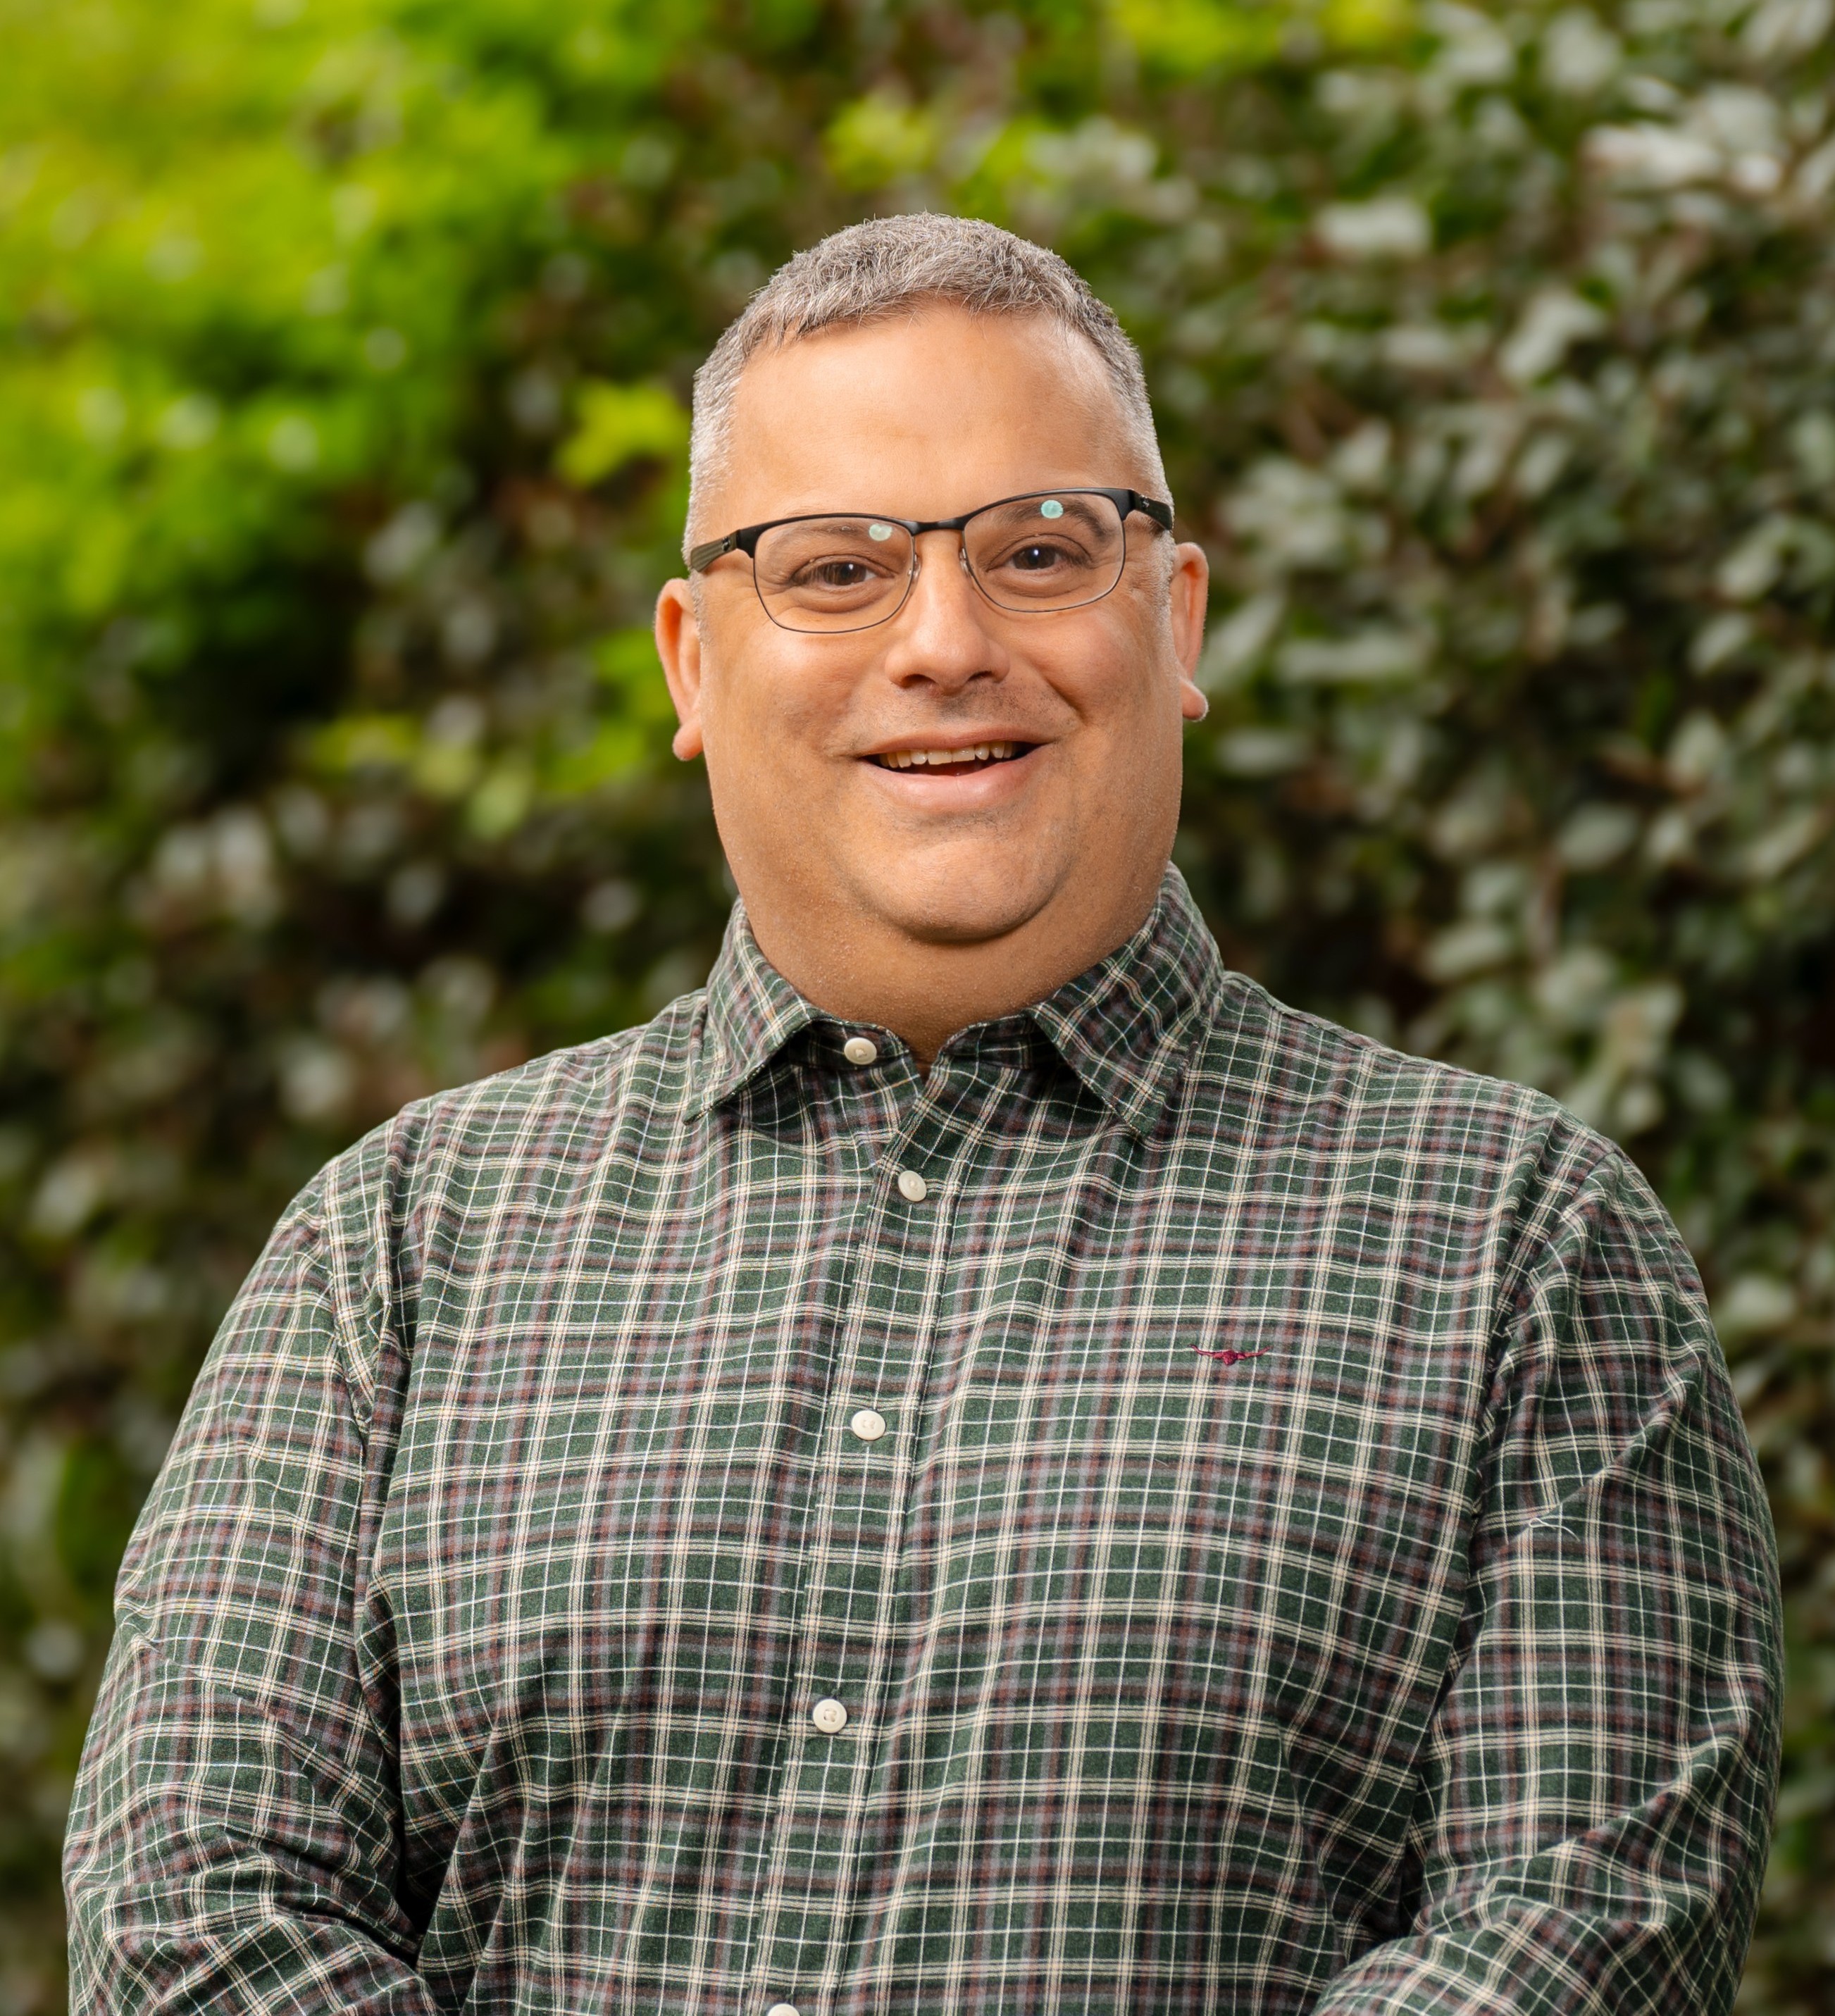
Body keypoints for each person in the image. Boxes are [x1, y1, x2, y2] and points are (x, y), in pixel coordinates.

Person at [66, 213, 1780, 2015]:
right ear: (691, 663)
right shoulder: (404, 1246)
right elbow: (197, 1917)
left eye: (1040, 551)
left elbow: (1580, 1931)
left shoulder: (1519, 1247)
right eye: (832, 570)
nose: (945, 642)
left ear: (1176, 614)